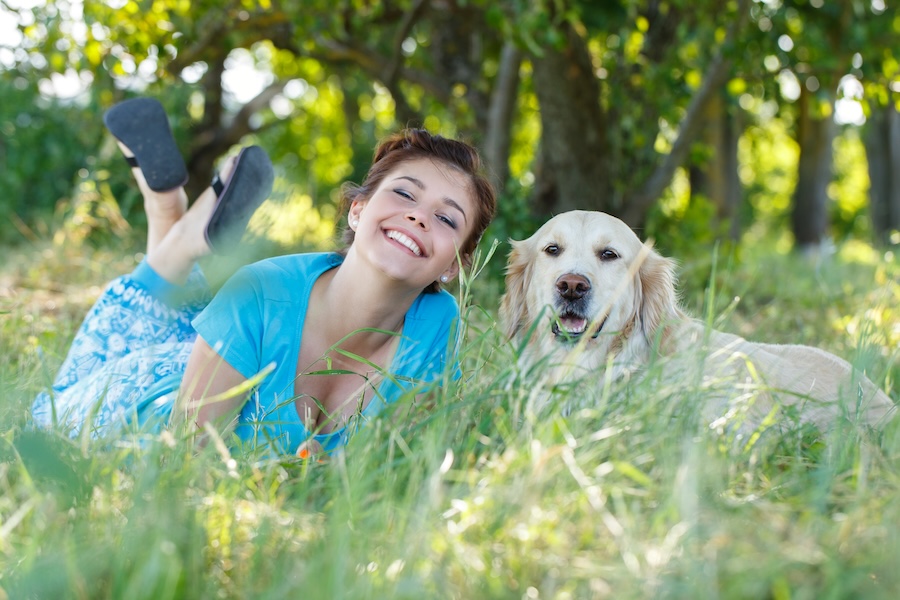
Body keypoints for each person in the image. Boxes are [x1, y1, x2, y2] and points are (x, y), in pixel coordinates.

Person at [32, 97, 497, 457]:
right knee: (53, 407)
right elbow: (181, 467)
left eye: (447, 219)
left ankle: (172, 215)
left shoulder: (438, 325)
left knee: (182, 316)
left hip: (213, 348)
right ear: (357, 211)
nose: (419, 218)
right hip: (138, 406)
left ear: (455, 267)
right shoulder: (261, 290)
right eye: (404, 194)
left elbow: (410, 466)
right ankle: (177, 225)